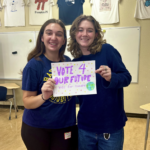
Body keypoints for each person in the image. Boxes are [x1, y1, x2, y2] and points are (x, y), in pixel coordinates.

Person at [68, 15, 132, 150]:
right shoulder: (75, 64)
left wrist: (112, 77)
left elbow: (126, 77)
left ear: (96, 34)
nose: (84, 34)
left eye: (89, 30)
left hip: (111, 126)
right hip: (85, 126)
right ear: (74, 33)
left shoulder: (107, 51)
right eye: (80, 30)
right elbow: (77, 98)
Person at [21, 19, 78, 150]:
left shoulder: (68, 63)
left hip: (65, 125)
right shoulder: (33, 66)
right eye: (49, 33)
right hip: (37, 128)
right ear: (42, 37)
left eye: (59, 34)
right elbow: (27, 102)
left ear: (64, 40)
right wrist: (43, 96)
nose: (54, 37)